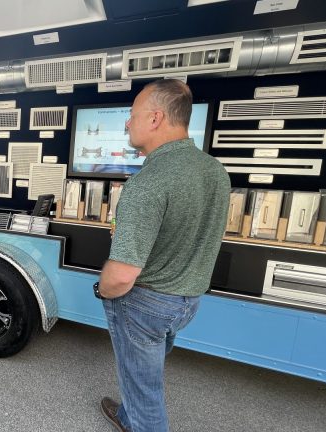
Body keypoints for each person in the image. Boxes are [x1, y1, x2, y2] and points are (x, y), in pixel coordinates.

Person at [95, 79, 230, 432]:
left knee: (146, 394)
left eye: (132, 114)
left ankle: (137, 418)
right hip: (188, 300)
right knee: (144, 372)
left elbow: (120, 277)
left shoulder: (148, 182)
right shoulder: (215, 171)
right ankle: (127, 415)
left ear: (155, 118)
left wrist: (101, 290)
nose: (128, 123)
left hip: (146, 304)